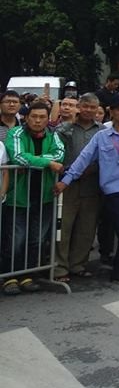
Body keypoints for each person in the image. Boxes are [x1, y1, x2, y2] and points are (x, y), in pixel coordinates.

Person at [54, 97, 119, 286]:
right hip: (113, 190)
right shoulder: (101, 136)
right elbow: (83, 159)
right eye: (118, 109)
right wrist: (66, 181)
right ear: (111, 112)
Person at [2, 101, 65, 295]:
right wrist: (48, 162)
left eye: (42, 117)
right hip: (19, 197)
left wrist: (35, 161)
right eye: (34, 117)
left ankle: (28, 275)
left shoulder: (53, 135)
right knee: (16, 239)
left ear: (48, 119)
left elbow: (60, 155)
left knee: (37, 238)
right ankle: (9, 276)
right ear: (27, 118)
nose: (38, 121)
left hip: (44, 196)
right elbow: (18, 157)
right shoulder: (16, 133)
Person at [53, 93, 103, 281]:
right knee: (64, 228)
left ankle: (78, 264)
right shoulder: (64, 129)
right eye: (85, 106)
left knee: (86, 228)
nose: (89, 110)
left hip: (92, 185)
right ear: (79, 107)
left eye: (93, 107)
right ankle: (60, 268)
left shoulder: (102, 130)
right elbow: (57, 153)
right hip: (67, 184)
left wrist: (91, 169)